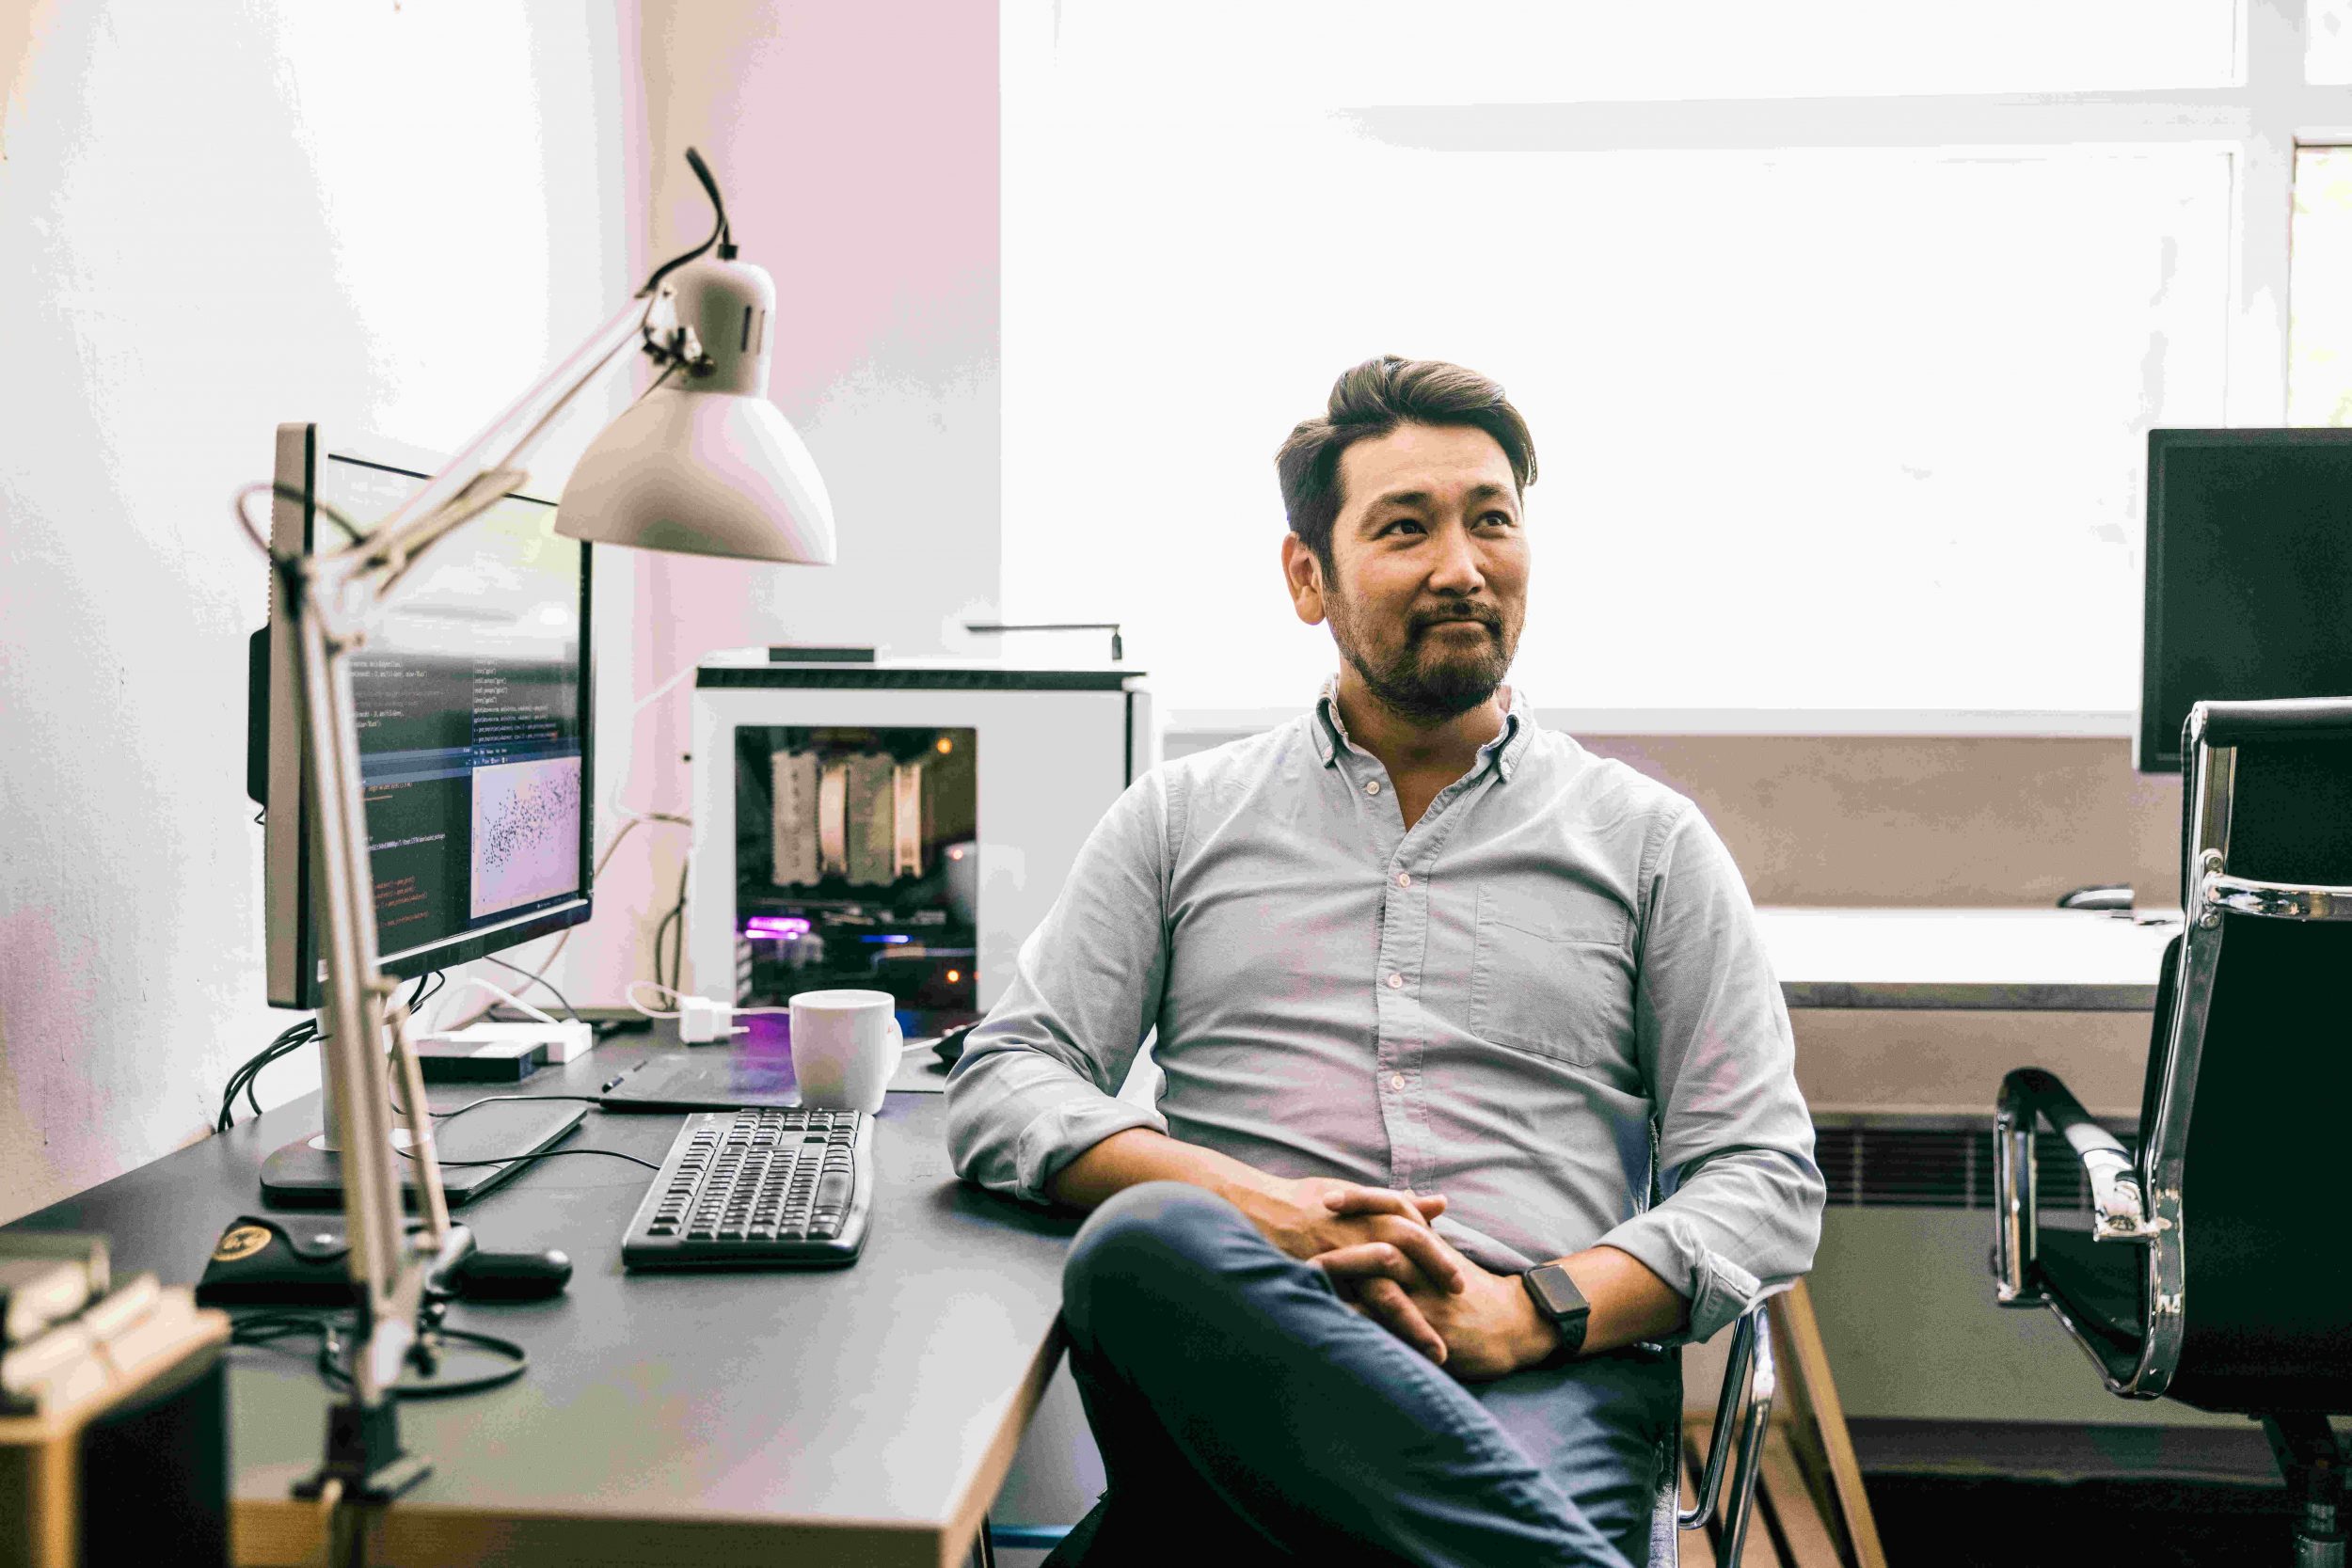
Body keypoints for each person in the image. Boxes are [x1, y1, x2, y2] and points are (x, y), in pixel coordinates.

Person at [946, 356, 1823, 1566]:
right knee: (1146, 1244)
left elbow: (1762, 1177)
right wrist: (1259, 1211)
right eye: (1405, 528)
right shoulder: (1177, 820)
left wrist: (1526, 1311)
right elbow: (1006, 1077)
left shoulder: (1648, 842)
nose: (1462, 567)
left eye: (1492, 521)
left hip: (1533, 1378)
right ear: (1308, 576)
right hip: (1243, 1349)